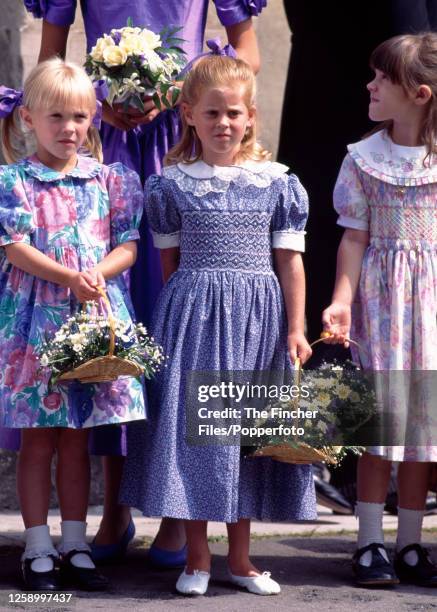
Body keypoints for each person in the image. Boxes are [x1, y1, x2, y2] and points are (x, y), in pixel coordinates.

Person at [20, 0, 266, 564]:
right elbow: (50, 57)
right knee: (110, 332)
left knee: (177, 324)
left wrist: (179, 90)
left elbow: (246, 51)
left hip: (180, 138)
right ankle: (115, 507)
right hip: (103, 140)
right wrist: (96, 102)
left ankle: (180, 513)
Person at [120, 54, 317, 596]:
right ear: (188, 114)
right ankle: (197, 559)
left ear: (251, 115)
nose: (223, 123)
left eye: (233, 112)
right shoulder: (171, 186)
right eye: (211, 113)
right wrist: (173, 324)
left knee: (243, 438)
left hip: (258, 322)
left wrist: (296, 328)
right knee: (195, 437)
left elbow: (290, 263)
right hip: (193, 319)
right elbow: (169, 267)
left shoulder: (277, 183)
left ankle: (243, 560)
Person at [0, 58, 145, 590]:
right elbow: (15, 249)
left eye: (80, 117)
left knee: (78, 439)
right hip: (35, 324)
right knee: (38, 439)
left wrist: (95, 276)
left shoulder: (112, 180)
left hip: (92, 319)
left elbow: (127, 245)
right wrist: (68, 276)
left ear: (94, 120)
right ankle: (37, 547)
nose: (69, 129)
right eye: (56, 116)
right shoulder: (14, 181)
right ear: (29, 120)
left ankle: (76, 544)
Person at [322, 33, 437, 587]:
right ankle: (370, 542)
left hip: (432, 310)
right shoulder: (364, 160)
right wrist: (342, 301)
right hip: (383, 307)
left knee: (423, 429)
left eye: (382, 78)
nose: (369, 85)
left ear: (418, 93)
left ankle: (411, 544)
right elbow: (352, 239)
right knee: (380, 425)